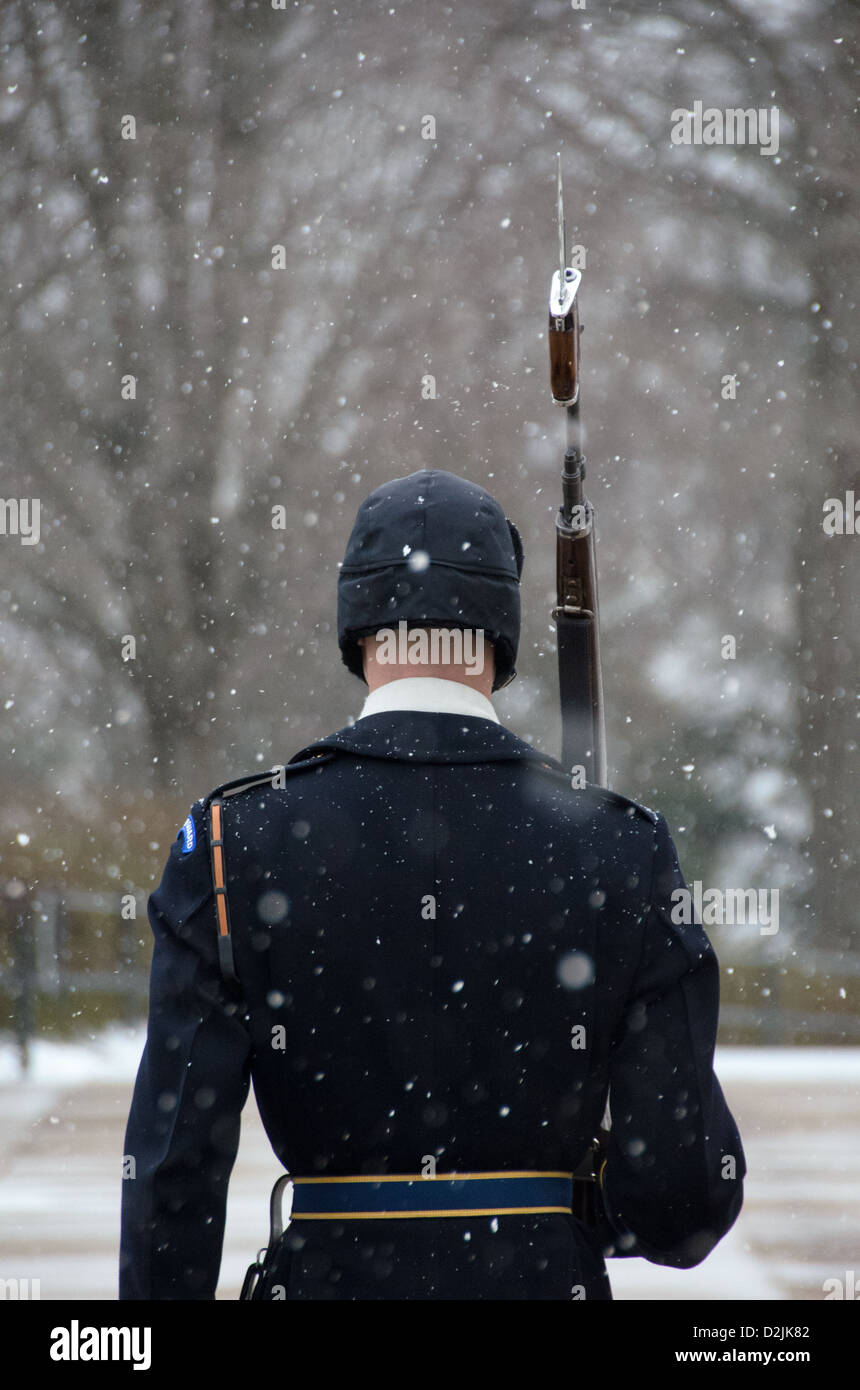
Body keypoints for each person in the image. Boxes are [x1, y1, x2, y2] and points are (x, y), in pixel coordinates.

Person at [119, 468, 745, 1300]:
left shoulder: (235, 841)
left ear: (359, 631)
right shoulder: (620, 848)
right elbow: (684, 1201)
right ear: (499, 638)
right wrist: (588, 1187)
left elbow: (173, 1166)